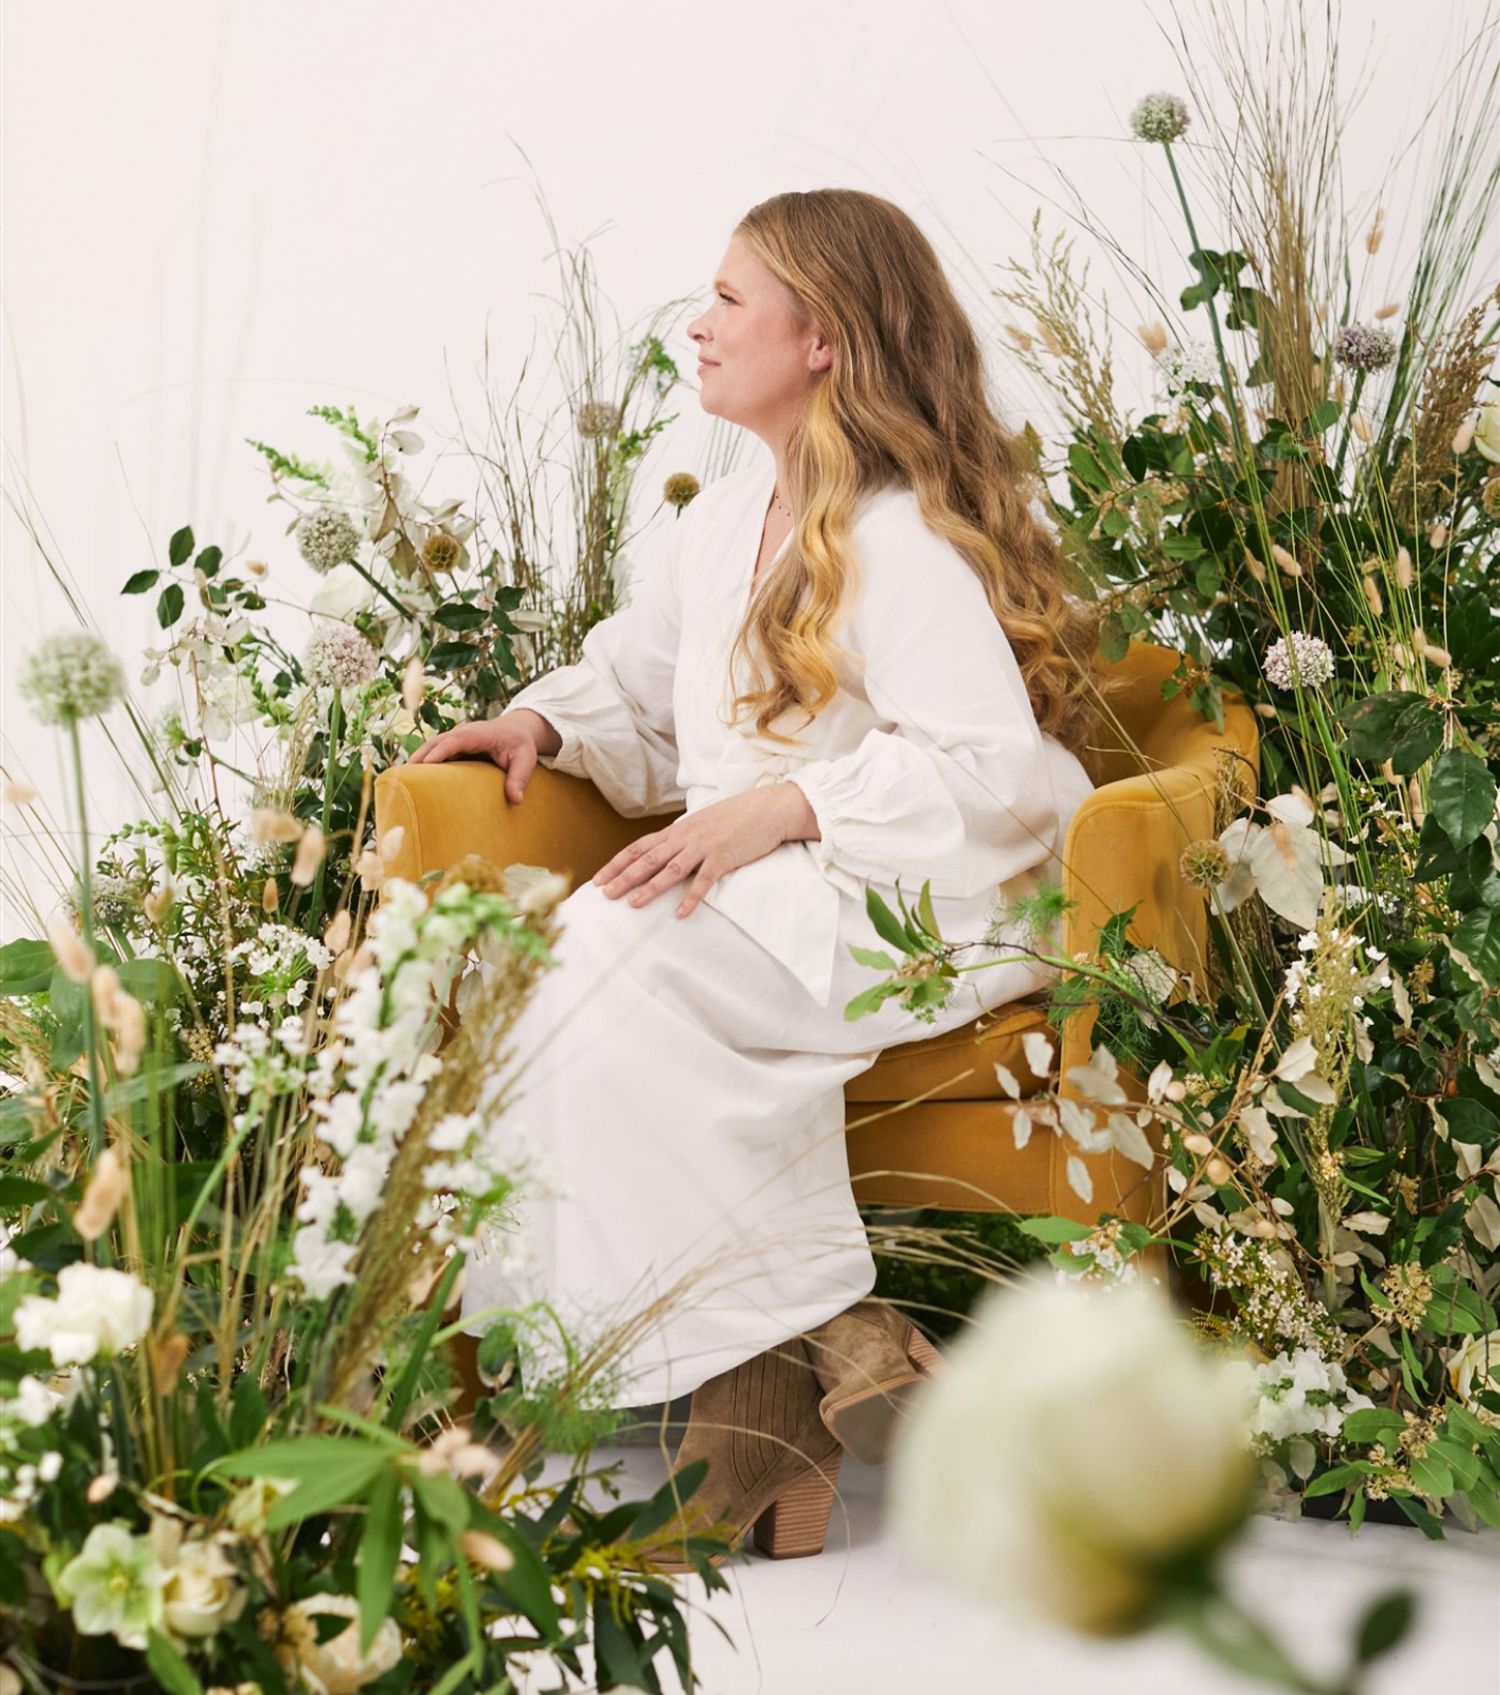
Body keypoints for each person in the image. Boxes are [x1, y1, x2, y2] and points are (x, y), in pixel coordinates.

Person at [406, 188, 1100, 1569]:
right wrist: (547, 725)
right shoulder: (724, 522)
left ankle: (785, 1378)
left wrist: (783, 808)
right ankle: (815, 1361)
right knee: (551, 966)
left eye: (731, 299)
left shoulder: (901, 537)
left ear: (825, 338)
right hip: (759, 881)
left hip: (905, 891)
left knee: (589, 958)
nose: (699, 324)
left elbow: (992, 772)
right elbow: (651, 696)